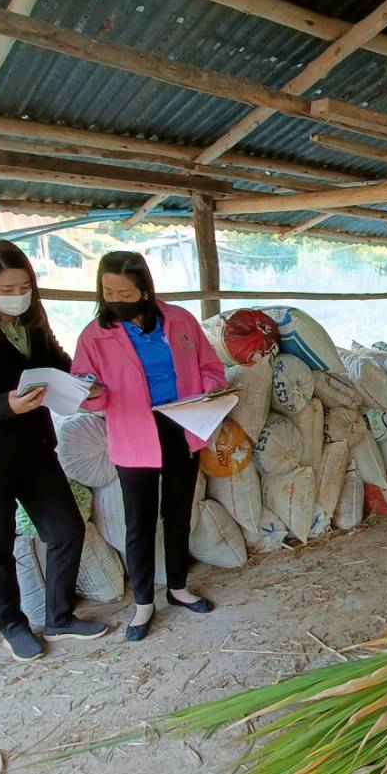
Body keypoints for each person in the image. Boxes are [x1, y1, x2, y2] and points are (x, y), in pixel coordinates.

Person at [0, 239, 104, 662]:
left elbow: (57, 361)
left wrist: (82, 382)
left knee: (66, 529)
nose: (17, 295)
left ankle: (60, 615)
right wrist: (2, 405)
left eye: (23, 286)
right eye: (7, 289)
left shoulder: (32, 322)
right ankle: (12, 624)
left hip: (34, 448)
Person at [72, 251, 227, 641]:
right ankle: (143, 603)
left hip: (182, 424)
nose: (116, 299)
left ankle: (178, 588)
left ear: (144, 290)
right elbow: (85, 391)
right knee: (138, 524)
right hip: (133, 433)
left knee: (178, 514)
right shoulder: (94, 335)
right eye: (108, 291)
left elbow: (211, 367)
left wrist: (211, 391)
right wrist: (89, 392)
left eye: (125, 292)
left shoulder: (180, 320)